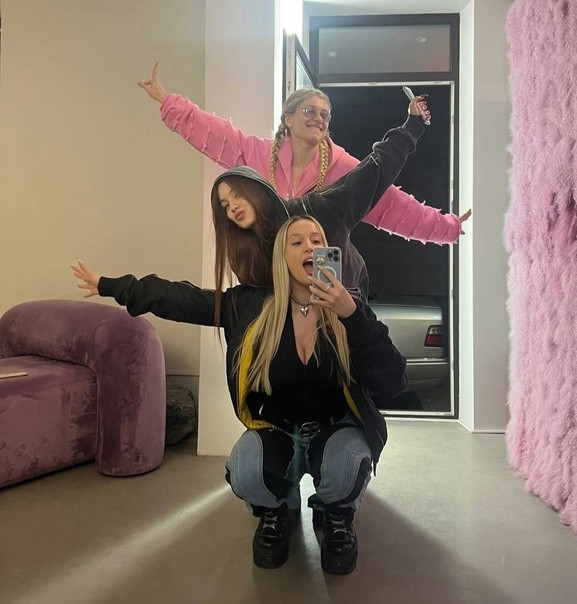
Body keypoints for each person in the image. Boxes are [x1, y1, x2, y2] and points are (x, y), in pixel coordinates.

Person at [72, 215, 407, 575]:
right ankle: (278, 512)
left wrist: (351, 316)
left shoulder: (351, 309)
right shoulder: (250, 305)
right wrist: (114, 286)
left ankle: (336, 514)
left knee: (348, 466)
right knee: (246, 472)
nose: (309, 247)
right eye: (297, 242)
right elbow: (183, 298)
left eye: (316, 240)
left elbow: (393, 380)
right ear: (282, 258)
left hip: (335, 427)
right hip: (278, 430)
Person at [137, 63, 471, 242]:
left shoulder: (343, 167)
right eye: (310, 111)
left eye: (325, 115)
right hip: (271, 274)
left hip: (323, 278)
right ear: (288, 118)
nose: (319, 119)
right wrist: (169, 102)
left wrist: (448, 226)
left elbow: (391, 205)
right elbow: (217, 136)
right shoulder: (258, 155)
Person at [207, 96, 433, 303]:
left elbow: (374, 173)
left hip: (344, 307)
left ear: (255, 190)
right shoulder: (246, 249)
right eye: (225, 205)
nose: (233, 207)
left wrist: (412, 126)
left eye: (237, 196)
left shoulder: (315, 211)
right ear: (288, 119)